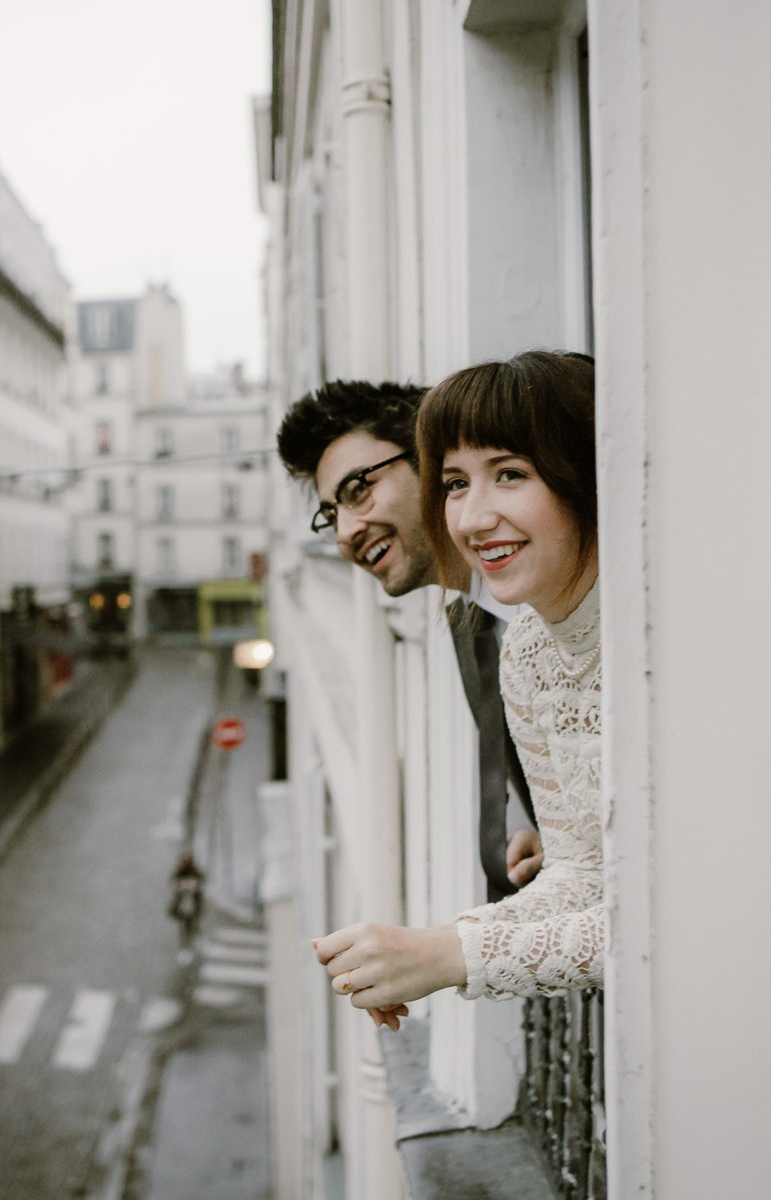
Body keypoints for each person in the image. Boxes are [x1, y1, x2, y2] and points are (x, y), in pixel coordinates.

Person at [309, 352, 601, 1027]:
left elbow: (670, 903)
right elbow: (584, 873)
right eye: (457, 484)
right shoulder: (523, 644)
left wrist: (450, 954)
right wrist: (430, 948)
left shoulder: (663, 637)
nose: (471, 518)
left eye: (509, 474)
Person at [275, 381, 543, 896]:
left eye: (358, 490)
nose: (345, 532)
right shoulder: (473, 629)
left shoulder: (554, 592)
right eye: (331, 513)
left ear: (430, 455)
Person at [169, 852, 206, 943]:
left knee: (193, 922)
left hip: (192, 903)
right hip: (183, 903)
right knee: (183, 923)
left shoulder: (195, 873)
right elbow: (174, 884)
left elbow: (201, 882)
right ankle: (185, 942)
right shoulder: (179, 873)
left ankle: (196, 940)